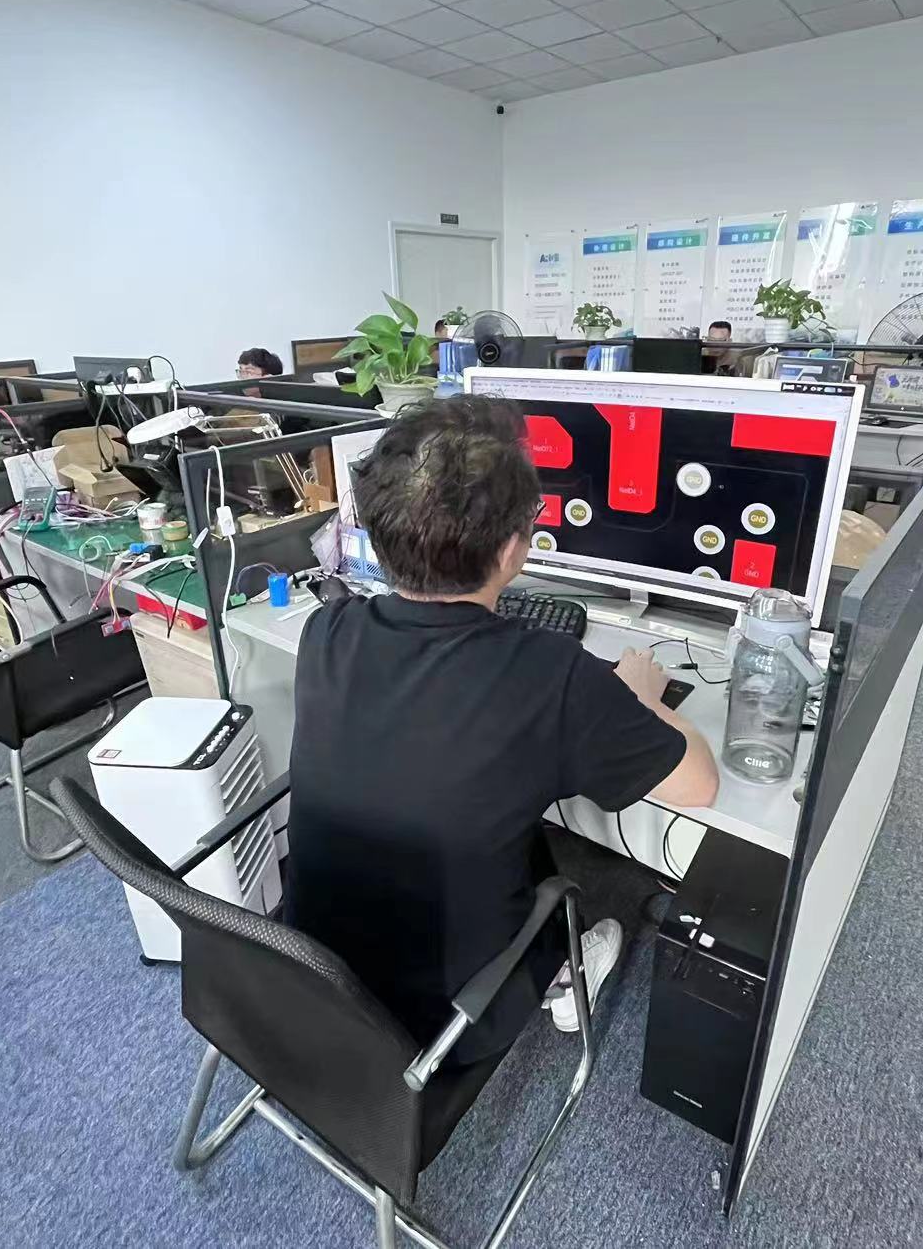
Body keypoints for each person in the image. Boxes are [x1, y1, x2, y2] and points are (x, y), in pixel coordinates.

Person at [283, 394, 719, 1063]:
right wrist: (637, 696)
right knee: (551, 876)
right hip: (444, 1024)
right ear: (514, 548)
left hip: (306, 977)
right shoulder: (552, 676)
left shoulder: (328, 629)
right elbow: (699, 784)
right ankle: (564, 970)